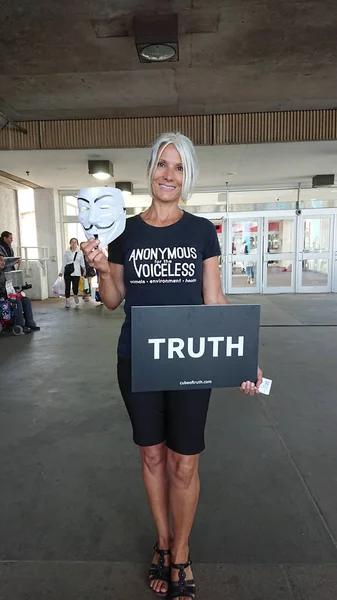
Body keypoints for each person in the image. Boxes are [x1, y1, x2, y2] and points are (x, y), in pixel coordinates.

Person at [82, 132, 262, 600]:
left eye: (178, 168)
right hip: (138, 359)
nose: (168, 175)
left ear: (188, 176)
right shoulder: (125, 231)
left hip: (190, 359)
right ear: (150, 169)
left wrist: (244, 357)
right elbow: (112, 301)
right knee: (152, 455)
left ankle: (181, 553)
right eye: (162, 164)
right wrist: (102, 269)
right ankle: (162, 544)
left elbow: (214, 298)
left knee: (185, 461)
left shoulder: (201, 230)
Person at [0, 254, 40, 333]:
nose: (3, 262)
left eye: (3, 261)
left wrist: (13, 291)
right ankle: (20, 325)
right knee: (17, 301)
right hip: (2, 296)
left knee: (26, 300)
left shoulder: (1, 272)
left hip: (6, 294)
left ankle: (29, 323)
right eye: (0, 261)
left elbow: (7, 285)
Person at [59, 238, 86, 308]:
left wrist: (84, 270)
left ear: (77, 244)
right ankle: (67, 301)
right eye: (72, 242)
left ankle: (75, 295)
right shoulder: (67, 252)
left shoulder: (80, 252)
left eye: (75, 242)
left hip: (76, 272)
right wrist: (61, 272)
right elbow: (64, 263)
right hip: (68, 272)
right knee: (67, 287)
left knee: (75, 287)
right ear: (70, 243)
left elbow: (82, 262)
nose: (74, 243)